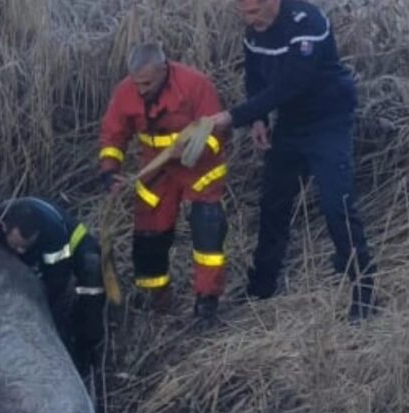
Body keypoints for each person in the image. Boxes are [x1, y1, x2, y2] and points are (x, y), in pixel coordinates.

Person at [209, 0, 376, 322]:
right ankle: (262, 286)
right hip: (291, 124)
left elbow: (290, 86)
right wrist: (259, 121)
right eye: (243, 12)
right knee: (273, 202)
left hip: (328, 121)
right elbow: (256, 78)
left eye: (254, 12)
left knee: (335, 204)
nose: (249, 19)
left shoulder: (306, 24)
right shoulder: (253, 31)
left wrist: (233, 117)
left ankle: (363, 288)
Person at [98, 42, 228, 321]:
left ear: (163, 69)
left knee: (208, 233)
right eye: (137, 84)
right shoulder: (126, 92)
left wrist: (195, 150)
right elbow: (113, 134)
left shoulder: (196, 85)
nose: (141, 90)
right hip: (156, 170)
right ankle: (157, 302)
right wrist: (110, 170)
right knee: (149, 236)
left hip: (200, 169)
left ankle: (207, 303)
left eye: (147, 83)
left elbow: (218, 134)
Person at [0, 197, 105, 375]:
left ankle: (84, 351)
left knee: (91, 281)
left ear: (37, 234)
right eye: (18, 246)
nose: (22, 251)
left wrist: (42, 311)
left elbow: (57, 281)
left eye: (26, 246)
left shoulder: (52, 234)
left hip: (77, 243)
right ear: (4, 228)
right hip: (43, 250)